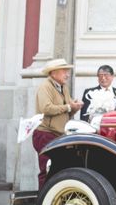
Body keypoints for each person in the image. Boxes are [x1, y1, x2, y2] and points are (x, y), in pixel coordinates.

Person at [32, 59, 84, 188]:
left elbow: (66, 111)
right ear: (54, 73)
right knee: (47, 169)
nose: (67, 74)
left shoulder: (63, 87)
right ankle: (43, 203)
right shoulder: (45, 87)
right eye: (64, 71)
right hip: (45, 134)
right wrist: (68, 107)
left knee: (58, 170)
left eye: (67, 71)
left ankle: (54, 202)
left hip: (58, 135)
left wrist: (75, 108)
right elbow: (46, 108)